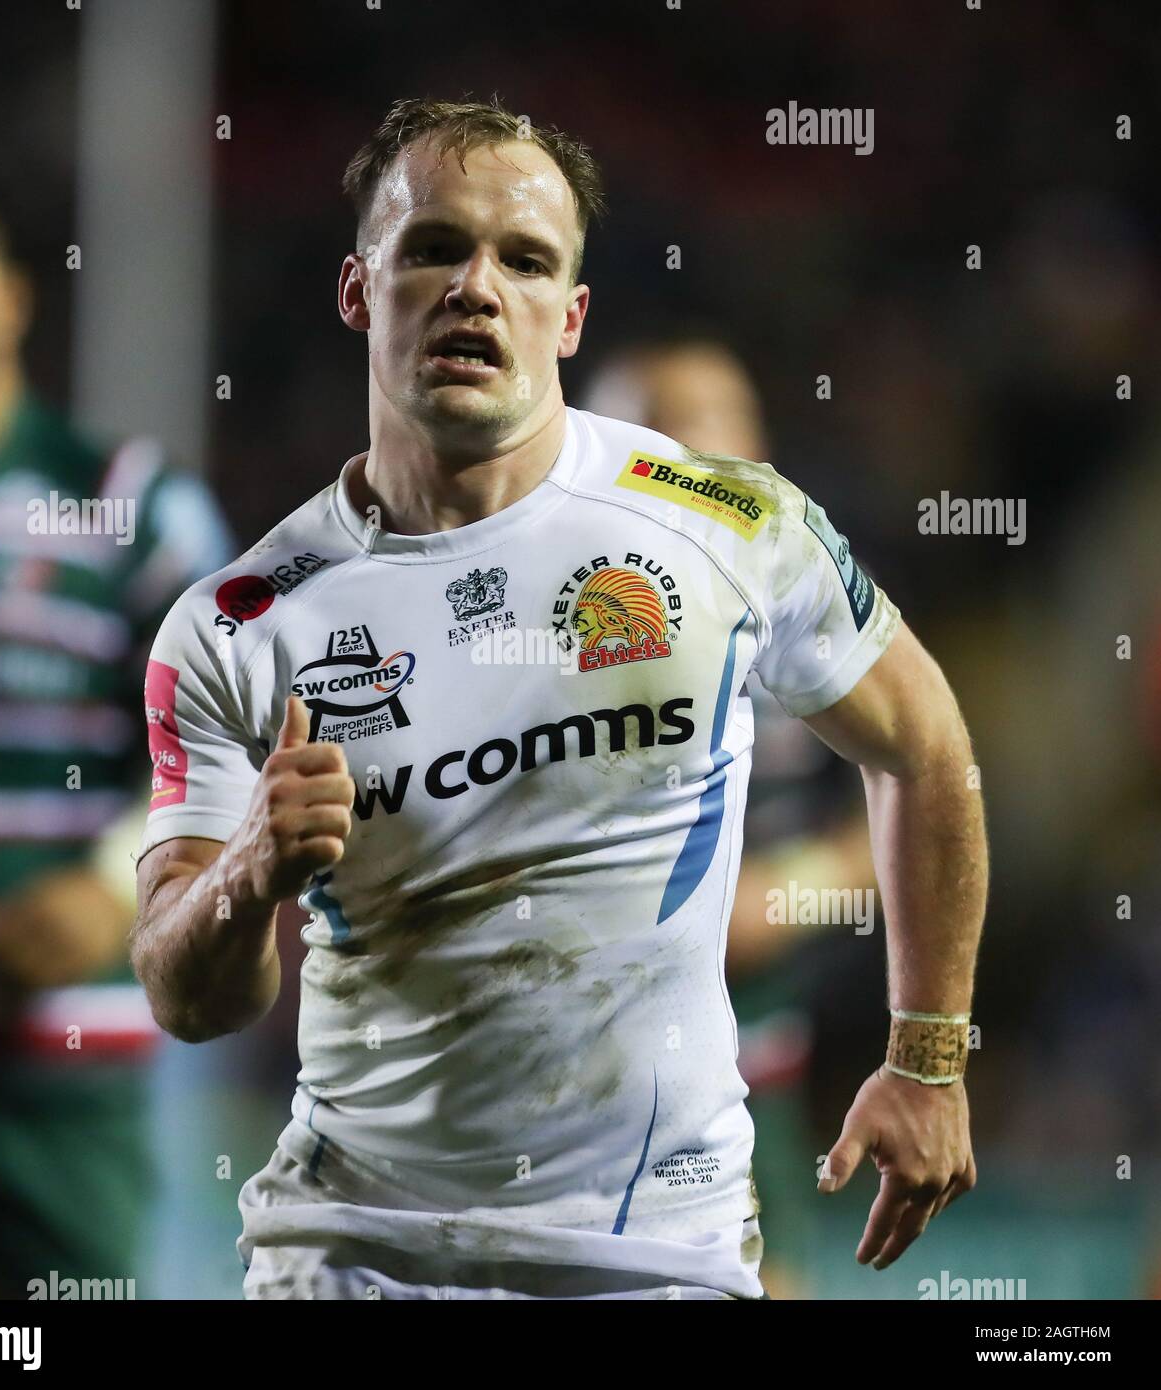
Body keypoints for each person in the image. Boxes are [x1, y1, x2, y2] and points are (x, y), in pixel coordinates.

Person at [132, 96, 986, 1301]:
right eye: (432, 246)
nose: (477, 287)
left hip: (657, 1258)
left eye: (523, 260)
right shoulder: (238, 623)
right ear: (356, 288)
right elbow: (186, 996)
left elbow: (926, 747)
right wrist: (250, 869)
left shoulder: (724, 521)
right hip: (354, 1256)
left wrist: (928, 1057)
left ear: (569, 315)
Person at [0, 179, 234, 1298]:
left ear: (9, 303)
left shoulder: (125, 504)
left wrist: (106, 886)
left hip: (60, 1070)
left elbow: (234, 724)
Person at [581, 338, 879, 1298]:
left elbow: (914, 795)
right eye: (655, 432)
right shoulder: (565, 616)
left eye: (713, 427)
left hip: (757, 1064)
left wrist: (791, 893)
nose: (688, 460)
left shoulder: (807, 608)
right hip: (582, 1086)